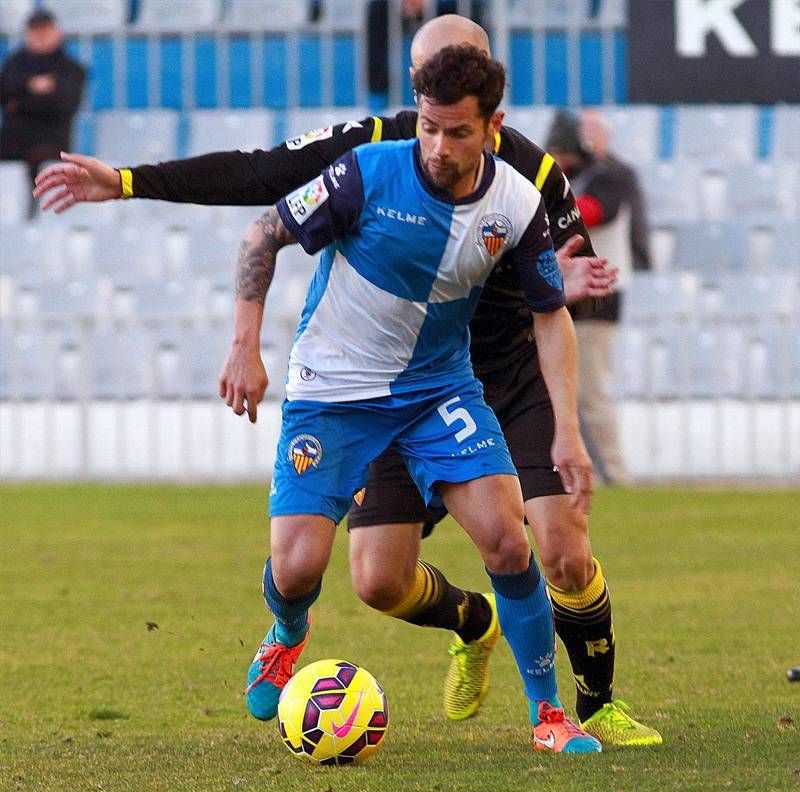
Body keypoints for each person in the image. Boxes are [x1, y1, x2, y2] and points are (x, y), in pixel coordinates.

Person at [34, 15, 661, 748]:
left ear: (490, 101)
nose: (432, 130)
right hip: (352, 388)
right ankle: (455, 622)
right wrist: (132, 182)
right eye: (424, 95)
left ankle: (576, 707)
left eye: (454, 109)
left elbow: (550, 283)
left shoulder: (529, 182)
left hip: (480, 378)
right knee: (369, 581)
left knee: (541, 543)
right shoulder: (374, 152)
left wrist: (561, 301)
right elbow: (263, 181)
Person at [234, 45, 601, 753]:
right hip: (333, 393)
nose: (436, 146)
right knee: (300, 569)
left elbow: (550, 315)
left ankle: (548, 716)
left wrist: (566, 430)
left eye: (456, 131)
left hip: (437, 390)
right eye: (428, 127)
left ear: (491, 128)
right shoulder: (368, 172)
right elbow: (263, 234)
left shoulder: (518, 207)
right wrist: (243, 347)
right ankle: (287, 630)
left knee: (504, 537)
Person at [546, 109, 652, 486]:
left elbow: (591, 212)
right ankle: (575, 473)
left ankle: (615, 474)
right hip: (566, 296)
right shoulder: (570, 178)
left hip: (598, 296)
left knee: (590, 392)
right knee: (563, 391)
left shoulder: (612, 176)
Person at [0, 8, 85, 216]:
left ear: (57, 32)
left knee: (44, 164)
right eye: (35, 31)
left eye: (45, 30)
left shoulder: (71, 68)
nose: (39, 36)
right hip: (12, 143)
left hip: (50, 144)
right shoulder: (15, 63)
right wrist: (31, 86)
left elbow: (63, 104)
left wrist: (18, 103)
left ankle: (36, 219)